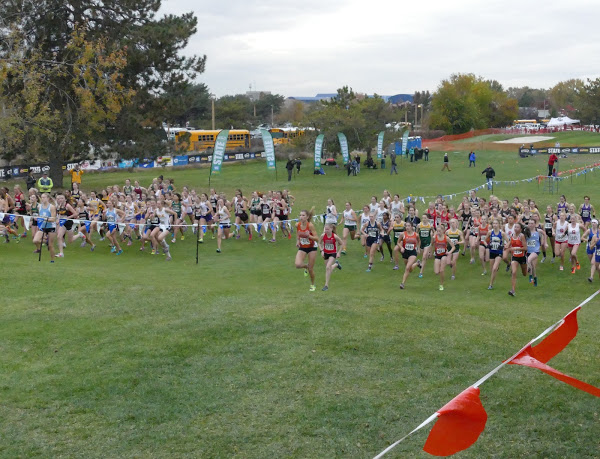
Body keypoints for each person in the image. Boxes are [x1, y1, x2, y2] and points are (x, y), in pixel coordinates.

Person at [295, 208, 319, 292]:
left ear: (307, 217)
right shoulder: (297, 225)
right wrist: (298, 241)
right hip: (303, 247)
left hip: (312, 247)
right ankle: (306, 266)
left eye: (303, 215)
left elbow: (317, 238)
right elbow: (298, 234)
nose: (301, 217)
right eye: (300, 215)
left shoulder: (310, 225)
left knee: (311, 269)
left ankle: (312, 285)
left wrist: (309, 236)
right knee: (297, 265)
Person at [33, 193, 57, 262]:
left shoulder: (51, 207)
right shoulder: (39, 206)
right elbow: (39, 216)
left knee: (50, 245)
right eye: (42, 197)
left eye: (44, 197)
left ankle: (52, 260)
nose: (42, 199)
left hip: (51, 227)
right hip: (43, 226)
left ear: (48, 198)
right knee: (36, 240)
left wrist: (44, 219)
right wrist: (37, 218)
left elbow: (53, 219)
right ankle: (45, 242)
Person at [318, 224, 343, 291]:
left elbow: (341, 243)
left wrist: (339, 252)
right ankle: (336, 264)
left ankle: (326, 285)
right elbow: (319, 243)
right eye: (325, 229)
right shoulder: (323, 236)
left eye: (328, 229)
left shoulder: (334, 236)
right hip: (326, 253)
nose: (326, 231)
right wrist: (321, 251)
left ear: (331, 229)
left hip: (332, 253)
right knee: (328, 268)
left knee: (327, 267)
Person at [507, 222, 528, 296]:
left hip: (522, 257)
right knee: (514, 272)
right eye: (515, 227)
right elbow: (508, 244)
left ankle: (528, 269)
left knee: (524, 274)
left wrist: (516, 248)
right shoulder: (512, 235)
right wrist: (506, 247)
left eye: (517, 227)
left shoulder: (521, 236)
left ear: (521, 229)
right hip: (515, 257)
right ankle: (512, 290)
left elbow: (525, 248)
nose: (515, 228)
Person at [398, 221, 421, 289]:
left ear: (411, 227)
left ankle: (402, 283)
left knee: (407, 268)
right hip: (405, 252)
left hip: (413, 253)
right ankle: (417, 263)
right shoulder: (403, 234)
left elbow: (419, 241)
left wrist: (418, 248)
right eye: (406, 226)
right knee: (410, 269)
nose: (407, 227)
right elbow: (398, 242)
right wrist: (401, 247)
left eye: (408, 226)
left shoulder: (416, 235)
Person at [433, 224, 455, 290]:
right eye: (437, 231)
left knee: (442, 270)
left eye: (439, 231)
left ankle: (441, 284)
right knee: (436, 272)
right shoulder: (435, 237)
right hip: (437, 255)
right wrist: (430, 252)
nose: (438, 232)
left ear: (443, 231)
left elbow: (453, 247)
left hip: (444, 255)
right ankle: (445, 265)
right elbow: (431, 245)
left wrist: (449, 252)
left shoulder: (446, 238)